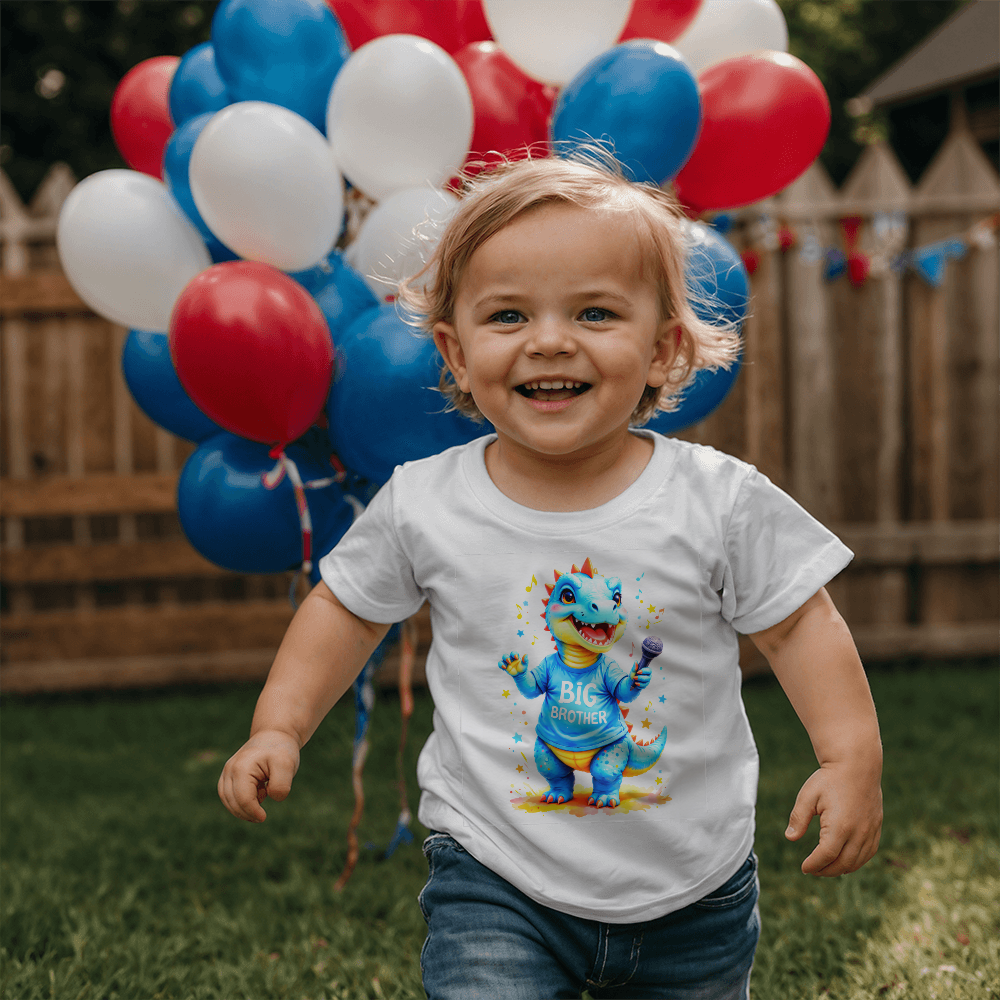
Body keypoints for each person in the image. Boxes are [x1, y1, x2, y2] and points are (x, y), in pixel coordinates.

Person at [218, 150, 883, 1000]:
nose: (549, 340)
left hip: (696, 886)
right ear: (456, 355)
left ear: (664, 349)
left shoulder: (716, 499)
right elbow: (344, 611)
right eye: (507, 316)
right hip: (496, 875)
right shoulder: (425, 501)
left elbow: (800, 624)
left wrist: (850, 752)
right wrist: (280, 724)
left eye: (596, 312)